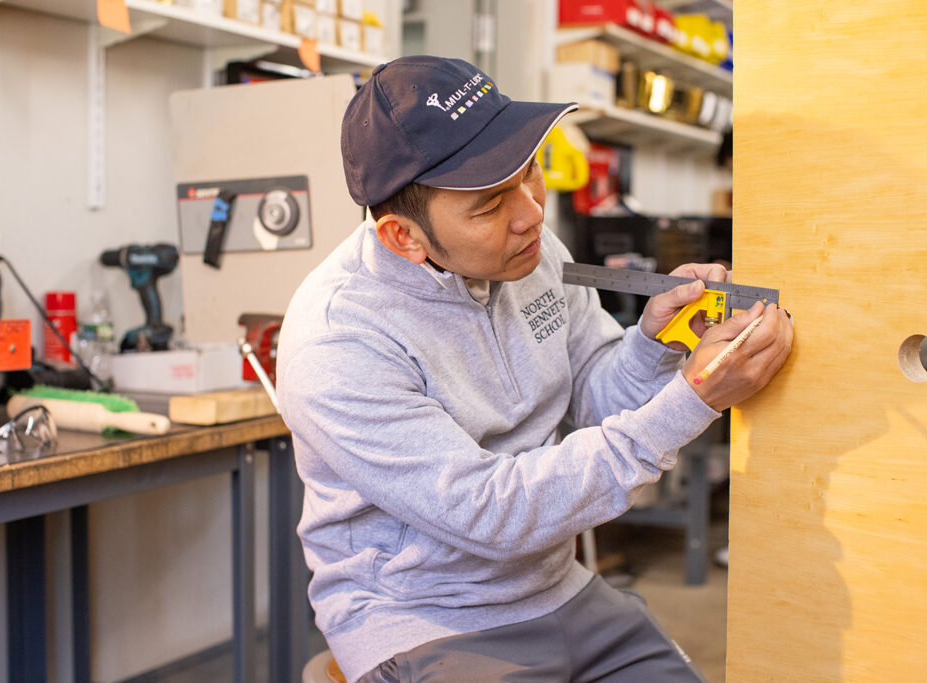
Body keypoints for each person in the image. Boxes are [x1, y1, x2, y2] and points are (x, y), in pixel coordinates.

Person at [277, 55, 793, 683]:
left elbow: (593, 397)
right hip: (427, 621)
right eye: (491, 203)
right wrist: (695, 398)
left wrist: (655, 346)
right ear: (402, 237)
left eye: (531, 173)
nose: (532, 214)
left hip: (560, 588)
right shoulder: (338, 340)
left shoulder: (534, 252)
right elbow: (491, 514)